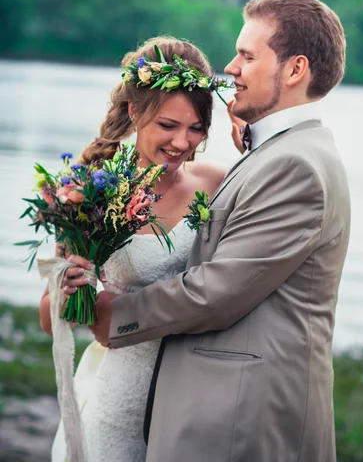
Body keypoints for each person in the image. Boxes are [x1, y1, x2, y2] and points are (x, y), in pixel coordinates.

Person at [70, 0, 351, 462]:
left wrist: (110, 315)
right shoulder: (278, 152)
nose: (232, 68)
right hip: (189, 403)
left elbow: (213, 293)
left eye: (246, 56)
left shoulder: (294, 165)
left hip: (241, 416)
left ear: (295, 69)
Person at [39, 36, 228, 462]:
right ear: (133, 111)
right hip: (119, 393)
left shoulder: (216, 182)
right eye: (168, 125)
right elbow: (52, 321)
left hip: (192, 393)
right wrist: (69, 288)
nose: (183, 142)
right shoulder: (87, 193)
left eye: (196, 127)